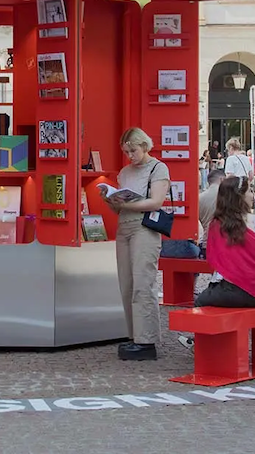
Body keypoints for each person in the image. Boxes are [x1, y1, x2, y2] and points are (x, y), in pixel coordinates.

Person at [99, 127, 169, 362]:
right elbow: (118, 207)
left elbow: (156, 201)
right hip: (124, 226)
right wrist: (110, 199)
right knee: (126, 284)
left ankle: (146, 339)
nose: (130, 155)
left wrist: (126, 205)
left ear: (144, 146)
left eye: (134, 150)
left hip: (144, 228)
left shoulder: (158, 168)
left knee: (143, 282)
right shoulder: (125, 172)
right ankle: (134, 335)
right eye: (127, 151)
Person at [195, 176, 255, 308]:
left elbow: (213, 260)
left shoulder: (216, 225)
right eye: (249, 191)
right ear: (240, 196)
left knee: (200, 302)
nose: (252, 195)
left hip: (229, 291)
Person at [161, 168, 224, 260]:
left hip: (207, 244)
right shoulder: (228, 196)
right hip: (224, 244)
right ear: (222, 179)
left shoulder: (200, 198)